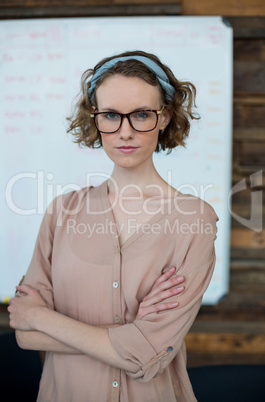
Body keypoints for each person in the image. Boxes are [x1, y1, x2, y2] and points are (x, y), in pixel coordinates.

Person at [8, 50, 218, 402]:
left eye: (140, 114)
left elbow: (147, 355)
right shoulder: (63, 211)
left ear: (164, 116)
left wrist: (43, 318)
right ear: (96, 119)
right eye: (110, 115)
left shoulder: (194, 220)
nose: (125, 132)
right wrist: (131, 335)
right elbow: (25, 333)